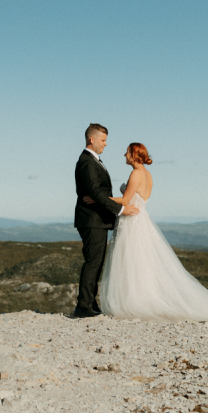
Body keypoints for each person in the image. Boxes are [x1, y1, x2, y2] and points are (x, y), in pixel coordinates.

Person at [88, 142, 208, 322]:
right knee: (141, 263)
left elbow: (125, 200)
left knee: (131, 261)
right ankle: (139, 300)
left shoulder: (136, 173)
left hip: (131, 222)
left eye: (127, 152)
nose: (124, 155)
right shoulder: (148, 174)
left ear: (134, 155)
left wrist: (97, 199)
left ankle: (133, 303)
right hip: (142, 220)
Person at [73, 124, 139, 318]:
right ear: (92, 139)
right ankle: (83, 306)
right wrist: (121, 209)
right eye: (103, 140)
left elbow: (97, 193)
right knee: (93, 262)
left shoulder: (93, 160)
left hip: (96, 219)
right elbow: (95, 191)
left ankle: (90, 303)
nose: (106, 144)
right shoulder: (87, 161)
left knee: (96, 262)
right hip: (91, 219)